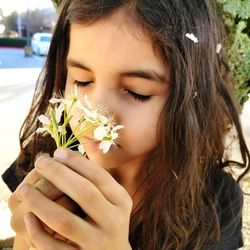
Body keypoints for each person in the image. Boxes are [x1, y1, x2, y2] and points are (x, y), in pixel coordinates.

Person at [2, 0, 250, 249]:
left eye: (137, 92)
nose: (93, 115)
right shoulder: (43, 156)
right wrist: (28, 237)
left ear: (191, 99)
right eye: (82, 81)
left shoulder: (215, 204)